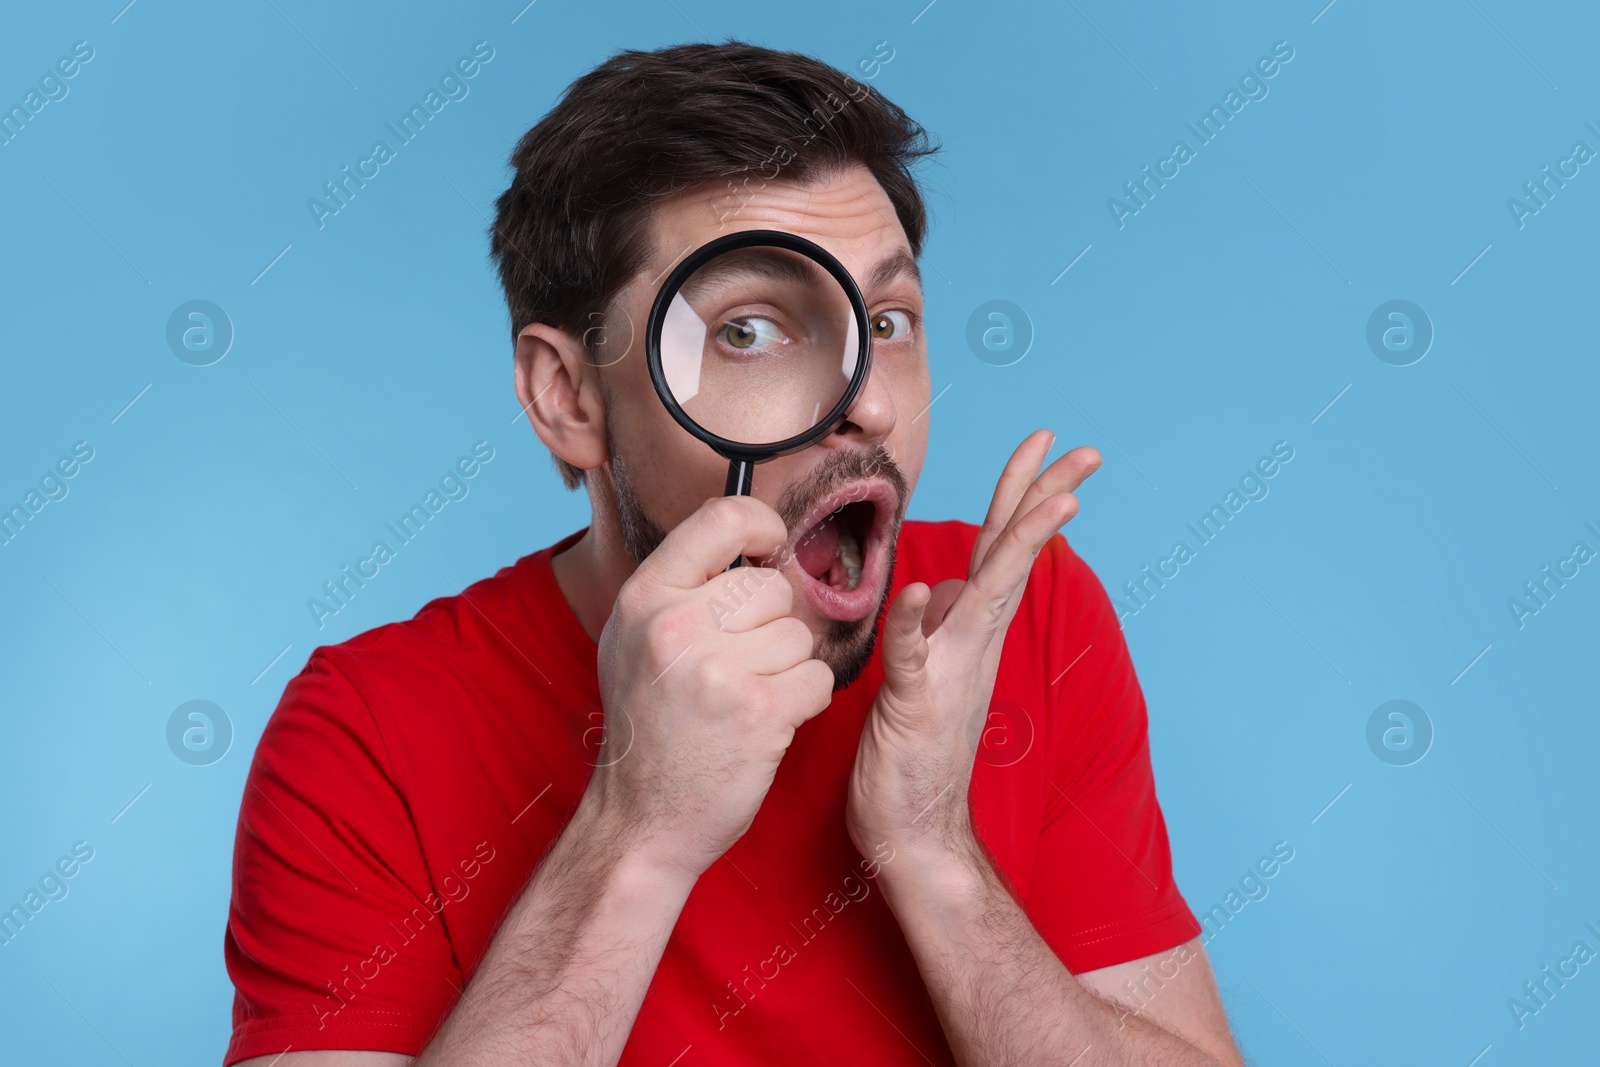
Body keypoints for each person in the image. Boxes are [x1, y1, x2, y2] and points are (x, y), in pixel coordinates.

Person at [224, 41, 1244, 1067]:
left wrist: (936, 852)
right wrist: (636, 829)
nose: (873, 403)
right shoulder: (365, 735)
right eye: (750, 330)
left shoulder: (1003, 614)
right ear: (567, 398)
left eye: (886, 320)